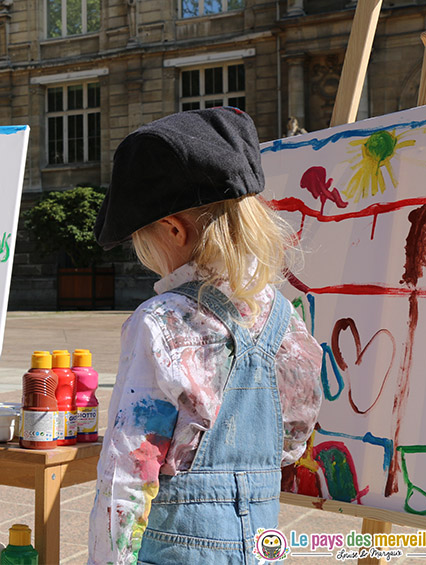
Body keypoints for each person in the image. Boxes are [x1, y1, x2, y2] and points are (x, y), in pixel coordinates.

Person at [88, 108, 323, 564]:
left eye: (143, 239)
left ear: (173, 229)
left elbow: (127, 473)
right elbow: (293, 440)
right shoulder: (284, 316)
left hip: (176, 550)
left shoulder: (162, 320)